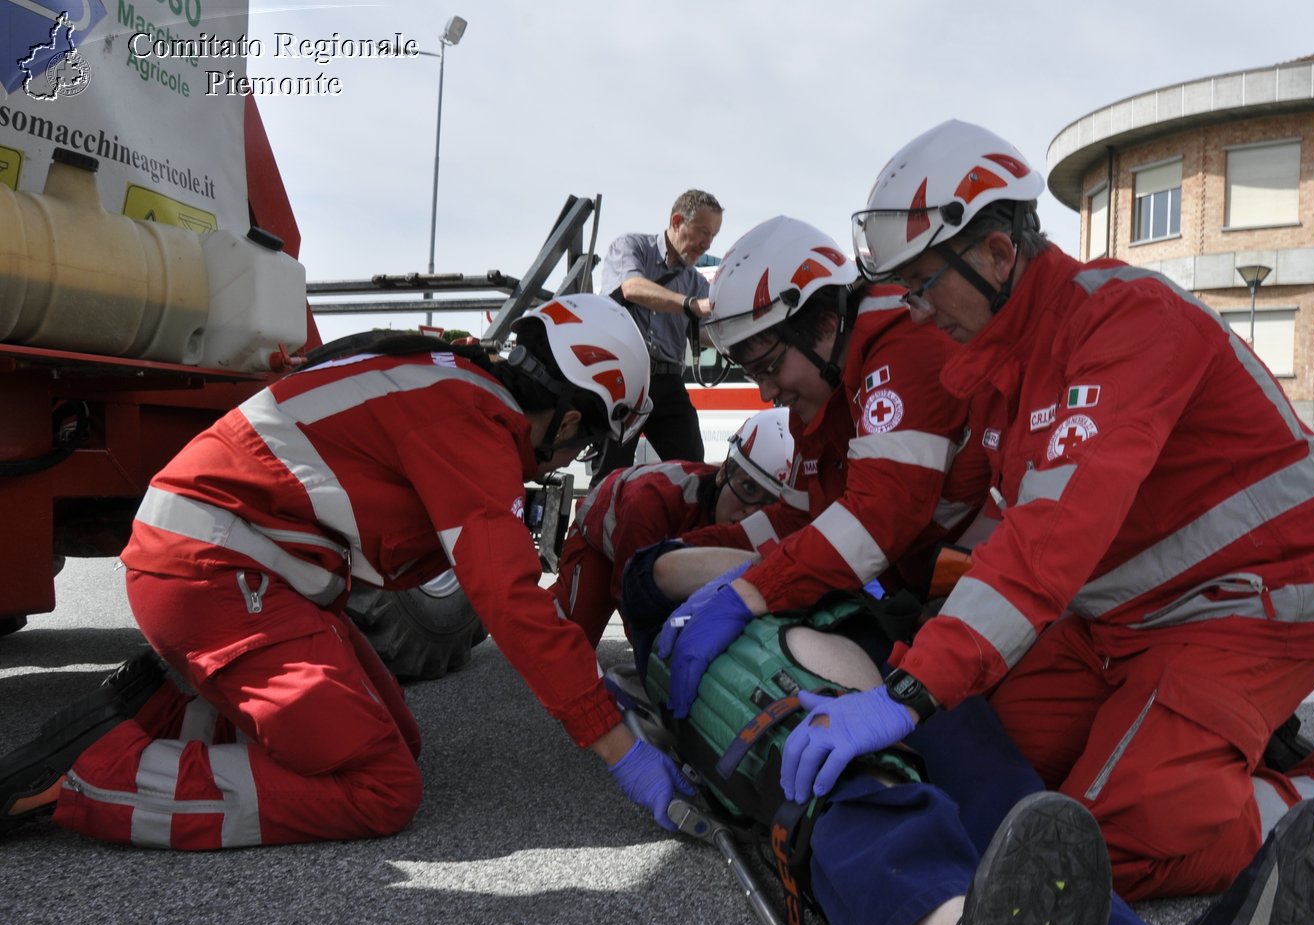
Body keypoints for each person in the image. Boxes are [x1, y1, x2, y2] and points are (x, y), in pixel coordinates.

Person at [796, 118, 1314, 904]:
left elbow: (1051, 538)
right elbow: (986, 529)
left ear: (996, 255)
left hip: (1247, 607)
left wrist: (908, 688)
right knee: (989, 759)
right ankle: (1224, 745)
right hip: (1121, 624)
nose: (916, 311)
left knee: (1107, 845)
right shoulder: (1002, 360)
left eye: (923, 283)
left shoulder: (1124, 320)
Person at [0, 294, 697, 847]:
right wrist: (618, 748)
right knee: (381, 784)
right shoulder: (470, 416)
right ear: (572, 417)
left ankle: (168, 705)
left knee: (401, 735)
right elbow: (506, 594)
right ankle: (97, 779)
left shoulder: (454, 383)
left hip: (240, 569)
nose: (563, 460)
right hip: (214, 574)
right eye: (580, 446)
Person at [631, 565, 1314, 925]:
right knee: (825, 751)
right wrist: (755, 563)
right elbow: (665, 570)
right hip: (768, 659)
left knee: (1004, 792)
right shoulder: (676, 530)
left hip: (886, 634)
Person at [649, 215, 993, 716]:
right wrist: (688, 548)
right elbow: (800, 516)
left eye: (768, 367)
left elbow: (877, 521)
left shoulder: (903, 347)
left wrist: (750, 592)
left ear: (827, 325)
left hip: (986, 597)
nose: (766, 393)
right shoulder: (828, 384)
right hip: (934, 591)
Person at [550, 406, 802, 645]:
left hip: (653, 533)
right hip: (601, 538)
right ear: (724, 471)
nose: (752, 512)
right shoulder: (652, 502)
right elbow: (635, 608)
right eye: (748, 487)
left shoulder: (773, 520)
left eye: (771, 503)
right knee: (570, 643)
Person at [593, 188, 724, 480]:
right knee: (610, 475)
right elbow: (632, 287)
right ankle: (597, 524)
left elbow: (707, 331)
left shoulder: (694, 280)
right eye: (703, 232)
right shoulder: (632, 246)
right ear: (677, 221)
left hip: (667, 380)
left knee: (694, 472)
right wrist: (690, 304)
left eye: (713, 236)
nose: (707, 244)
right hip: (624, 377)